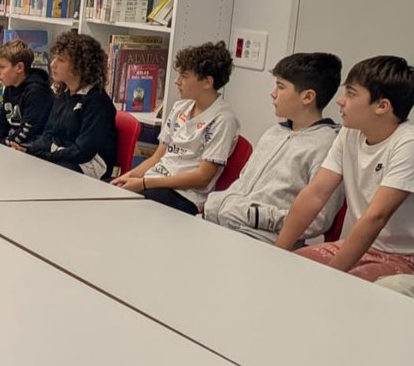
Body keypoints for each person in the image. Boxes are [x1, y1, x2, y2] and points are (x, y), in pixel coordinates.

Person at [277, 55, 414, 280]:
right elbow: (316, 193)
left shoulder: (407, 144)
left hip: (404, 256)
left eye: (350, 94)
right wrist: (278, 252)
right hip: (363, 247)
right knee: (293, 267)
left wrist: (333, 277)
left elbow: (376, 217)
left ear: (382, 106)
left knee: (342, 286)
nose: (340, 101)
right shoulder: (350, 131)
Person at [204, 52, 343, 243]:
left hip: (262, 238)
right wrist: (217, 204)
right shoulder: (273, 133)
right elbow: (243, 182)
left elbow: (316, 219)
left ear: (308, 97)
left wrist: (256, 216)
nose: (273, 93)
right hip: (221, 224)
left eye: (281, 86)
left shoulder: (328, 145)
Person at [112, 41, 240, 214]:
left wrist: (143, 183)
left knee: (126, 210)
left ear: (207, 82)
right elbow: (158, 156)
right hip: (154, 182)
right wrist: (128, 177)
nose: (176, 81)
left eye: (184, 76)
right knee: (109, 192)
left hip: (184, 195)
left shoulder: (223, 120)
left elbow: (202, 178)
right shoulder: (180, 107)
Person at [20, 31, 117, 179]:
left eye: (61, 60)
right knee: (23, 161)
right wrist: (29, 149)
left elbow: (82, 152)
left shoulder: (98, 103)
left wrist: (46, 155)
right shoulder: (63, 93)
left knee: (46, 174)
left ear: (80, 66)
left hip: (89, 165)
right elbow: (49, 134)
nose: (52, 64)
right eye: (54, 58)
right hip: (60, 155)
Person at [0, 41, 53, 149]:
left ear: (19, 68)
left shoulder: (37, 91)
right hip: (13, 144)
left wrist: (4, 143)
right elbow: (2, 121)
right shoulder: (10, 87)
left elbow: (28, 131)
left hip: (32, 148)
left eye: (2, 67)